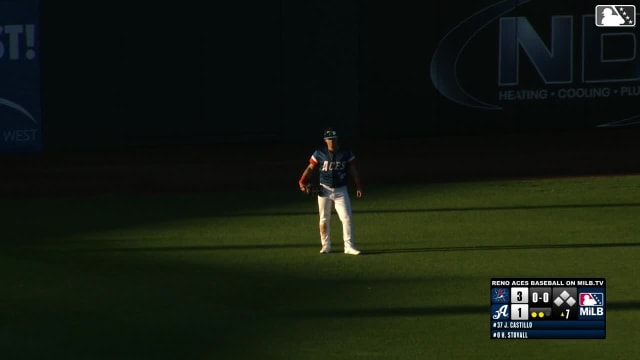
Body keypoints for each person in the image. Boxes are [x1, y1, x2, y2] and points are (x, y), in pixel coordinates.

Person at [298, 127, 363, 255]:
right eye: (329, 140)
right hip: (324, 189)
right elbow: (310, 168)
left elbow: (353, 170)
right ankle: (326, 246)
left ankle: (349, 246)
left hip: (341, 190)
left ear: (337, 139)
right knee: (323, 218)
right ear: (325, 140)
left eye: (333, 139)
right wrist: (302, 180)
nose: (331, 142)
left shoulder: (346, 152)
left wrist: (358, 186)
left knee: (347, 218)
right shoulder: (319, 153)